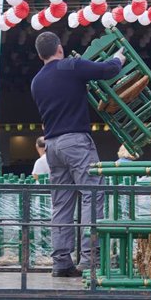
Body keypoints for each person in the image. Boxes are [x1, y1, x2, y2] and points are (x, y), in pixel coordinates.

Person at [31, 31, 125, 278]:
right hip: (75, 141)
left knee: (61, 202)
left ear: (41, 55)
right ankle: (90, 258)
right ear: (60, 48)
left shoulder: (36, 81)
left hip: (52, 146)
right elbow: (107, 70)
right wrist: (118, 59)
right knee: (91, 194)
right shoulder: (70, 66)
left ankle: (61, 261)